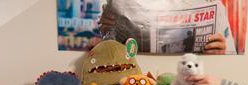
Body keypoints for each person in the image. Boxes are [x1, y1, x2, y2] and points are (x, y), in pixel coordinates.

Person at [98, 0, 235, 54]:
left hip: (192, 81)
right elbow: (104, 49)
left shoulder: (214, 6)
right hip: (136, 77)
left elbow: (231, 53)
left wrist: (222, 51)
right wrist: (107, 29)